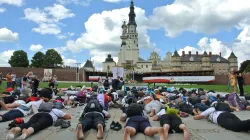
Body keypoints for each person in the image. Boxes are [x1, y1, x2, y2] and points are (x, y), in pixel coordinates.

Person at [6, 88, 71, 140]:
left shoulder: (40, 105)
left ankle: (15, 130)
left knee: (28, 123)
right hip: (48, 117)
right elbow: (68, 117)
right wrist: (60, 117)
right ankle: (27, 132)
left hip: (37, 114)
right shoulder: (56, 110)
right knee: (38, 124)